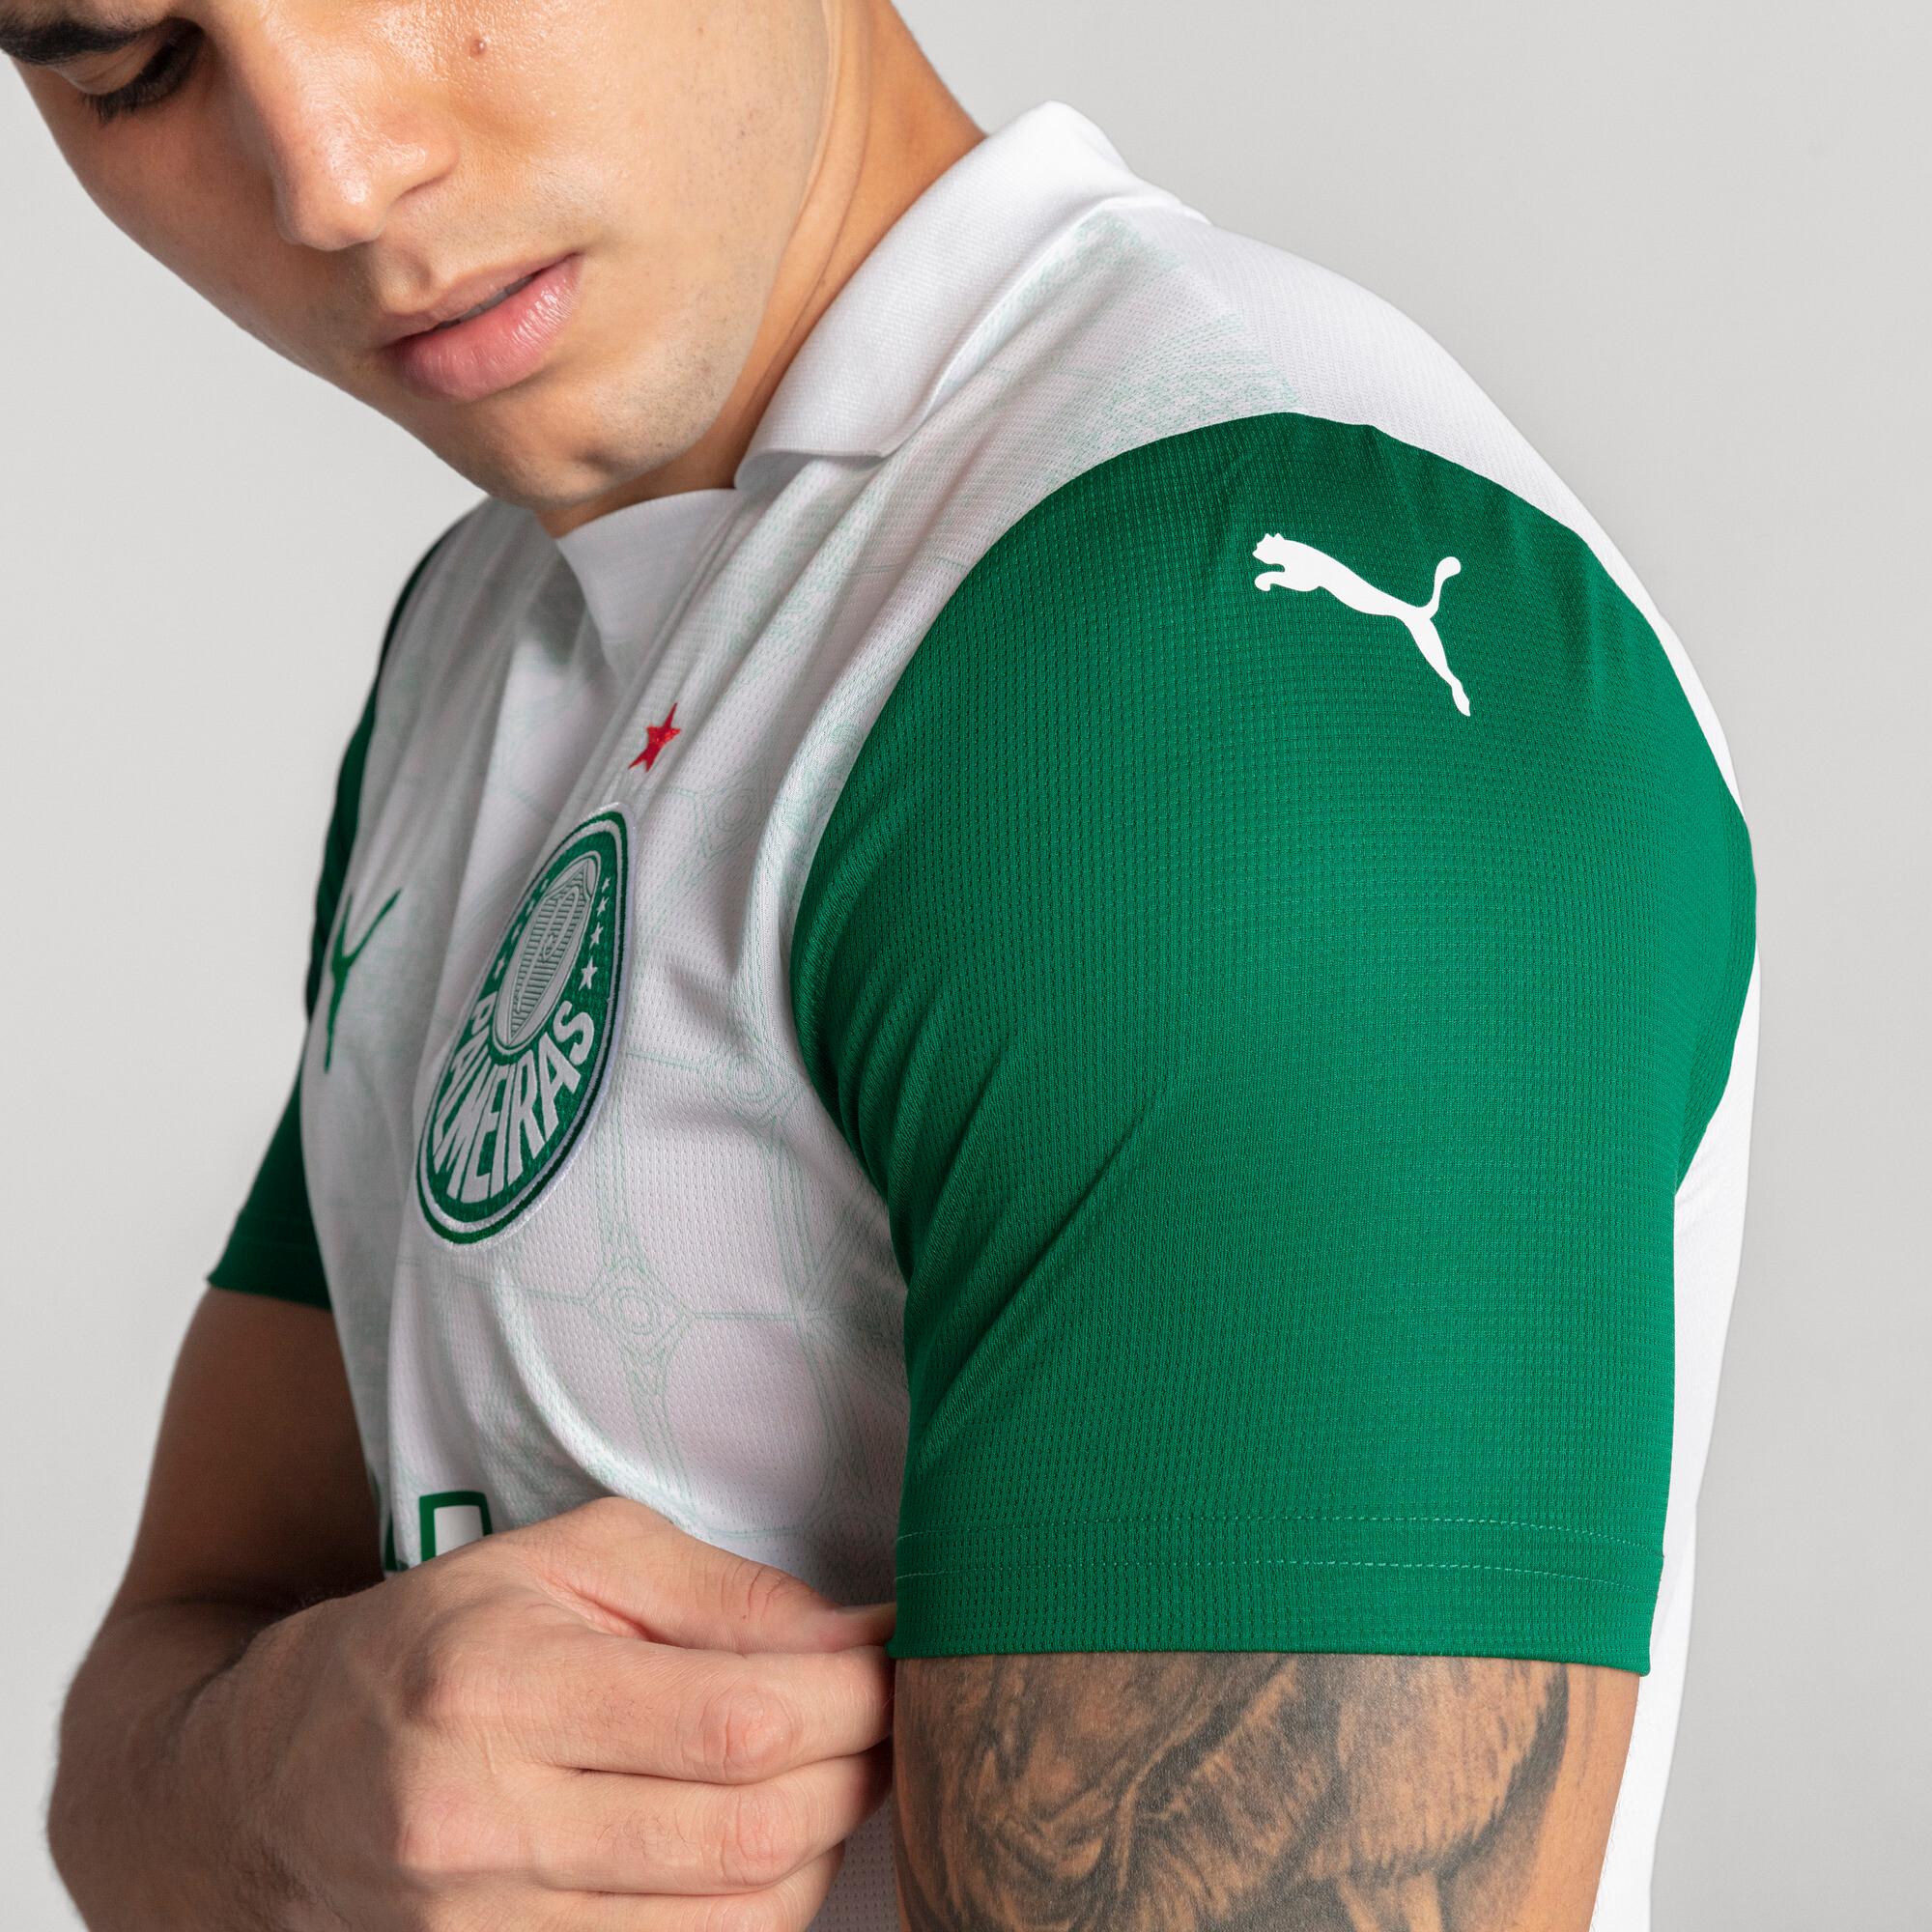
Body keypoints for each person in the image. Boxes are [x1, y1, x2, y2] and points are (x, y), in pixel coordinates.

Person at [16, 1, 1758, 1926]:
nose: (332, 176)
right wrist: (277, 1792)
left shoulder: (1219, 666)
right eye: (121, 58)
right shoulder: (491, 621)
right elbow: (154, 1707)